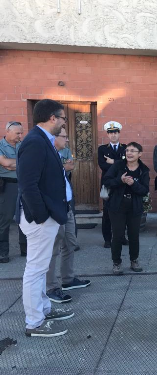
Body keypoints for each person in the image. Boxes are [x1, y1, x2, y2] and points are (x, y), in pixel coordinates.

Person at [17, 99, 74, 337]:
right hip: (40, 219)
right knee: (35, 270)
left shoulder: (43, 141)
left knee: (40, 268)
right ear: (53, 117)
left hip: (47, 216)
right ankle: (34, 323)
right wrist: (41, 216)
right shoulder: (34, 142)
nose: (63, 122)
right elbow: (28, 184)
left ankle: (44, 310)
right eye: (62, 118)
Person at [46, 126, 90, 303]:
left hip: (67, 206)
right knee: (53, 248)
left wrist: (67, 169)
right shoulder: (48, 155)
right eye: (64, 137)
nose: (67, 140)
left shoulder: (60, 154)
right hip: (55, 208)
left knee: (70, 242)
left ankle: (68, 279)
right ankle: (50, 287)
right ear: (53, 138)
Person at [103, 142, 149, 275]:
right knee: (117, 235)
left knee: (134, 235)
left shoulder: (143, 170)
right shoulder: (118, 165)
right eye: (127, 150)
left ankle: (134, 260)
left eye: (133, 151)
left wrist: (133, 184)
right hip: (117, 205)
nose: (129, 153)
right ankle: (116, 263)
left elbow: (144, 190)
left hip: (134, 206)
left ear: (139, 154)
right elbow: (107, 181)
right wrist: (120, 180)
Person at [0, 121, 27, 262]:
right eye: (17, 133)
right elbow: (5, 164)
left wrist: (12, 164)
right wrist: (18, 163)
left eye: (21, 133)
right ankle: (3, 252)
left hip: (23, 184)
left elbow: (27, 162)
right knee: (5, 219)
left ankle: (25, 249)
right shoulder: (0, 146)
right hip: (8, 186)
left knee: (25, 217)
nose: (20, 135)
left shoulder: (23, 145)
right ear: (8, 132)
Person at [98, 122, 128, 248]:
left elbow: (127, 164)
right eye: (111, 133)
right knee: (107, 213)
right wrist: (118, 163)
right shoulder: (102, 149)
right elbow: (102, 165)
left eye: (115, 132)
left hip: (122, 183)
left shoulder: (125, 148)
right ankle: (107, 239)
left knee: (123, 211)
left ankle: (121, 237)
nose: (113, 135)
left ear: (119, 133)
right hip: (108, 183)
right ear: (108, 134)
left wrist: (112, 161)